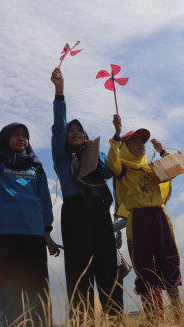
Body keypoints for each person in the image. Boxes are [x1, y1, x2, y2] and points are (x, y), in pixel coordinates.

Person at [0, 92, 59, 326]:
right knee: (9, 293)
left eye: (25, 135)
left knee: (38, 293)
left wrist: (47, 233)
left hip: (34, 236)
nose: (21, 139)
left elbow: (44, 203)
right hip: (5, 236)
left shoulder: (37, 169)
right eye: (16, 135)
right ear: (5, 139)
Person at [50, 67, 121, 321]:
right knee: (79, 272)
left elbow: (108, 173)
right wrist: (60, 91)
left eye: (80, 130)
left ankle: (115, 320)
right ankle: (83, 321)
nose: (76, 133)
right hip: (75, 212)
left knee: (108, 269)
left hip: (100, 212)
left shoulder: (93, 152)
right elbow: (59, 127)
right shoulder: (61, 156)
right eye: (72, 132)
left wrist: (97, 152)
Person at [108, 114, 182, 323]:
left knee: (170, 263)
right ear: (125, 146)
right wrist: (116, 134)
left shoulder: (152, 168)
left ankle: (178, 316)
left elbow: (174, 167)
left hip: (159, 217)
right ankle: (154, 319)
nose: (142, 145)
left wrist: (162, 151)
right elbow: (112, 162)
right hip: (138, 219)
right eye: (136, 141)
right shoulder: (122, 166)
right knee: (145, 269)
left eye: (143, 142)